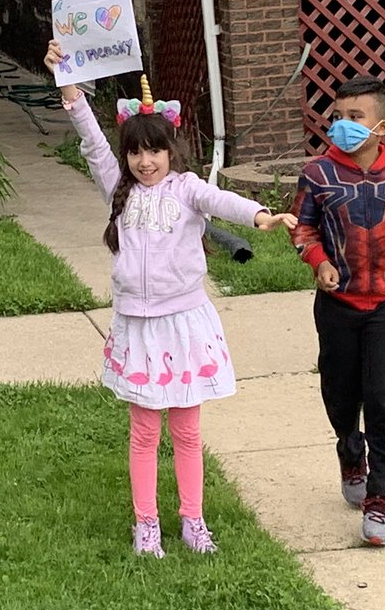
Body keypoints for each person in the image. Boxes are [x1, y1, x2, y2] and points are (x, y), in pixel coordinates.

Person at [44, 40, 297, 558]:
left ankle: (192, 520)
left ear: (171, 150)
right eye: (135, 152)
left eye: (155, 151)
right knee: (143, 432)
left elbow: (220, 199)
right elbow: (92, 140)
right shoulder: (117, 186)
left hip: (184, 325)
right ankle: (147, 524)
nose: (145, 161)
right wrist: (66, 82)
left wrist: (259, 216)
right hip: (138, 327)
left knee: (186, 430)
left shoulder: (187, 189)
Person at [290, 75, 385, 546]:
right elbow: (302, 228)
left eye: (355, 117)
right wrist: (319, 262)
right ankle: (351, 452)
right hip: (338, 304)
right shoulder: (317, 173)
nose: (343, 125)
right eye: (338, 116)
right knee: (341, 390)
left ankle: (379, 497)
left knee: (384, 396)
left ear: (381, 126)